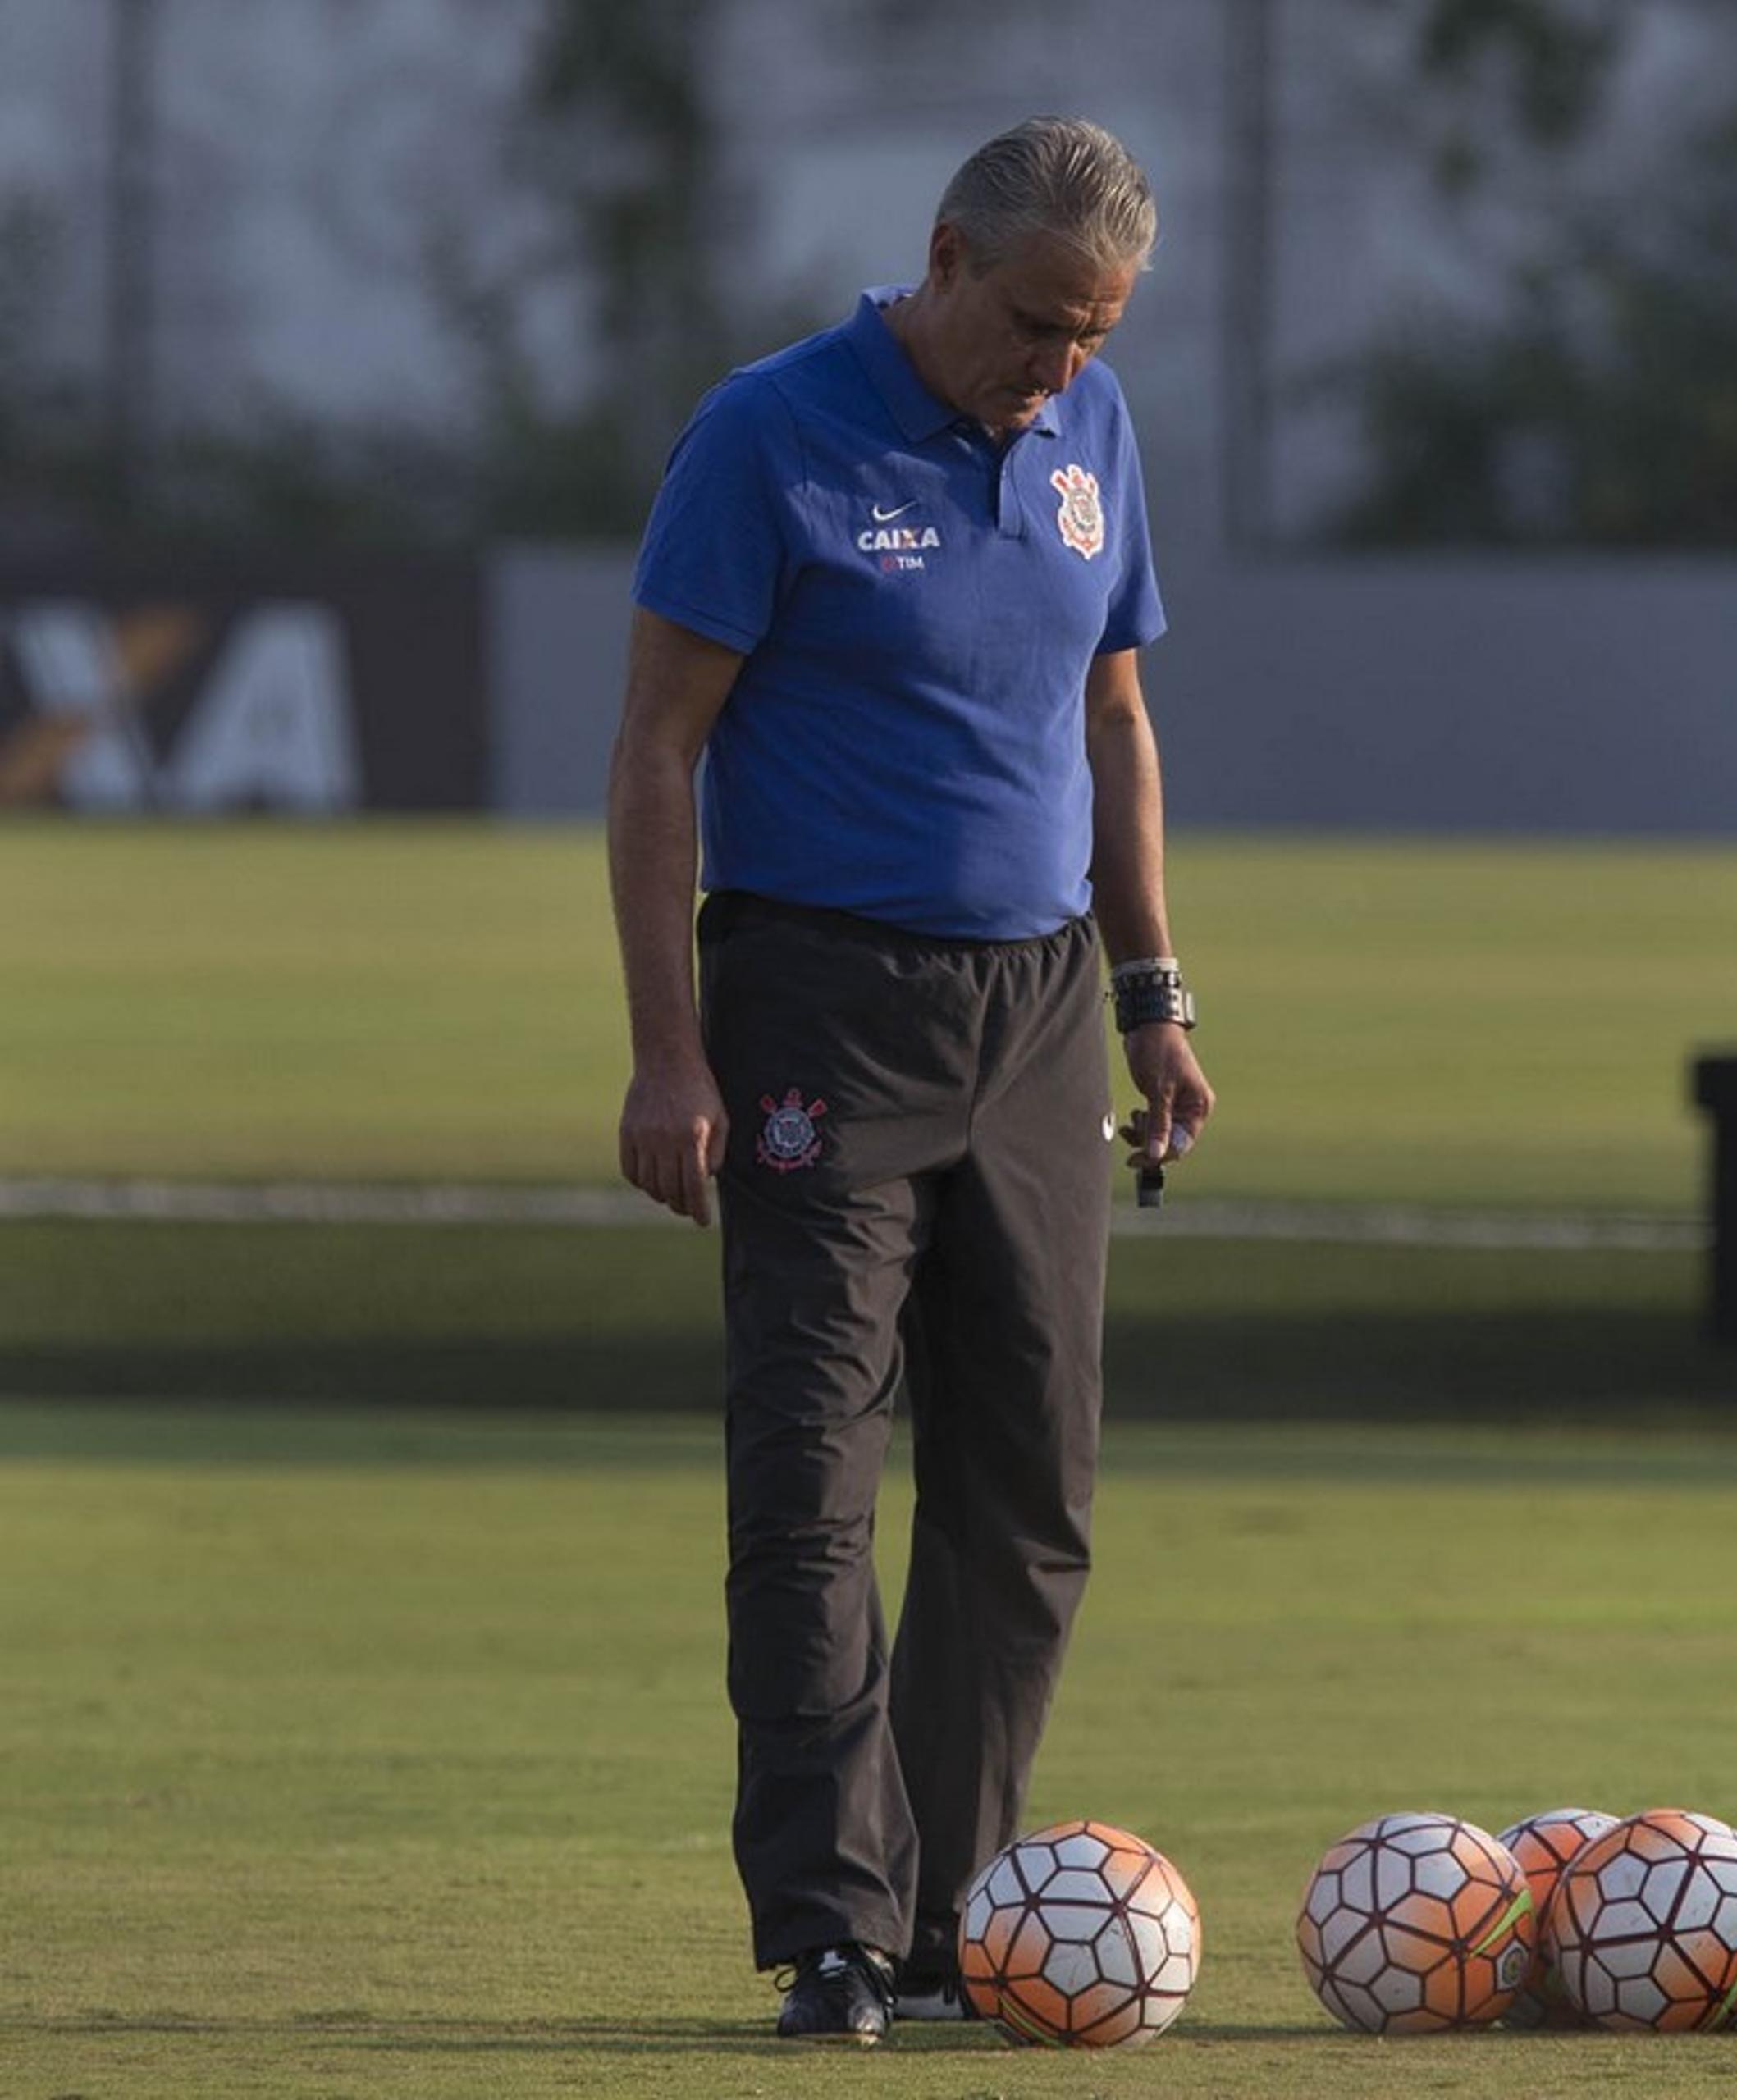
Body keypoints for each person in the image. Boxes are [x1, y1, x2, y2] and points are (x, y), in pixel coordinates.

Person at [605, 116, 1214, 2046]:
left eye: (1094, 335)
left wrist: (1152, 993)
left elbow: (1115, 719)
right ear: (945, 255)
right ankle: (835, 1929)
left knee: (1030, 1484)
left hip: (1035, 1012)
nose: (1059, 367)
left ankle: (968, 1914)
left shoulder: (1092, 434)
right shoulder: (770, 433)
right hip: (816, 1005)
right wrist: (667, 1044)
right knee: (810, 1479)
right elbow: (653, 752)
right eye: (1037, 321)